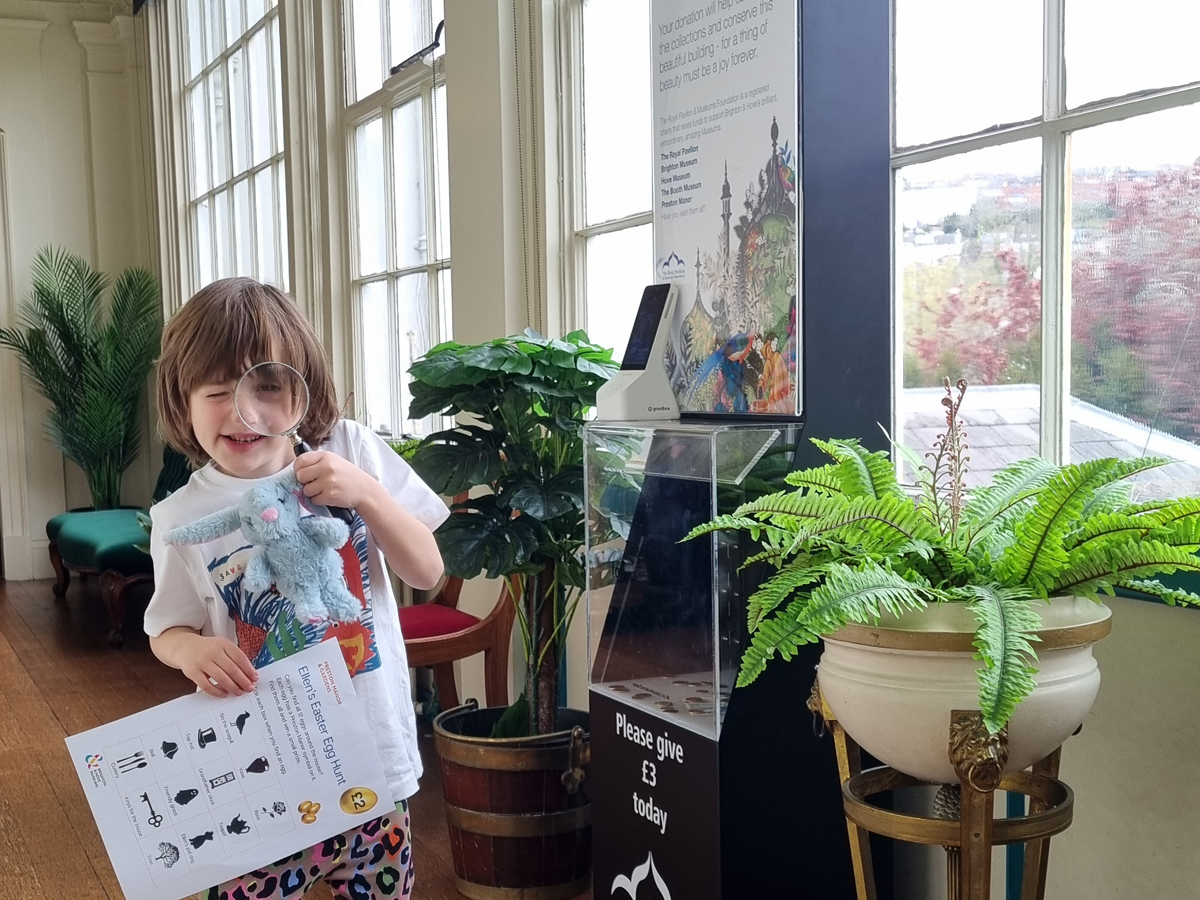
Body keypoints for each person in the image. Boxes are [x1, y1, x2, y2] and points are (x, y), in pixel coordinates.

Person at [146, 277, 447, 900]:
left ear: (301, 388)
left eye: (267, 386)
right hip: (260, 776)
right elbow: (165, 628)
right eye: (218, 391)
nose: (244, 412)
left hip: (373, 764)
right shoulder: (179, 518)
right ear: (183, 399)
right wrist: (190, 650)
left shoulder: (350, 449)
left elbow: (427, 571)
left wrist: (365, 494)